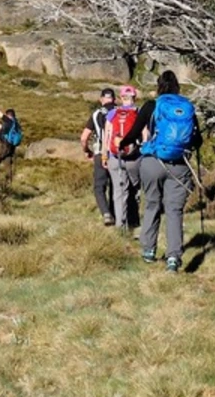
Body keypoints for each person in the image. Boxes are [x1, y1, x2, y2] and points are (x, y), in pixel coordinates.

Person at [117, 70, 200, 272]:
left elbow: (135, 132)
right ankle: (173, 257)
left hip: (153, 162)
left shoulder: (152, 106)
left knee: (152, 204)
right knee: (174, 210)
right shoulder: (186, 107)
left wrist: (124, 143)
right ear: (177, 87)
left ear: (158, 86)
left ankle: (149, 250)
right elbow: (198, 139)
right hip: (180, 164)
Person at [102, 85, 142, 233]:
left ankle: (120, 226)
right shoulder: (138, 113)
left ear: (120, 98)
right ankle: (135, 221)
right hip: (134, 158)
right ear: (134, 98)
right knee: (136, 188)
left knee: (119, 192)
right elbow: (145, 135)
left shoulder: (112, 113)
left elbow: (107, 135)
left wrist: (104, 154)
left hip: (114, 156)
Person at [79, 87, 117, 225]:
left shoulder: (96, 114)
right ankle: (118, 214)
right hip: (118, 153)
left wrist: (86, 150)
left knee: (99, 186)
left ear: (101, 99)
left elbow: (84, 138)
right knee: (116, 185)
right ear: (114, 99)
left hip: (100, 152)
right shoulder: (119, 112)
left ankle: (106, 214)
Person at [0, 106, 20, 174]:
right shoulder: (15, 123)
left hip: (3, 145)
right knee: (7, 164)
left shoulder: (9, 121)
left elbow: (3, 117)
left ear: (9, 115)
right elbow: (2, 128)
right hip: (11, 147)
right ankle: (8, 182)